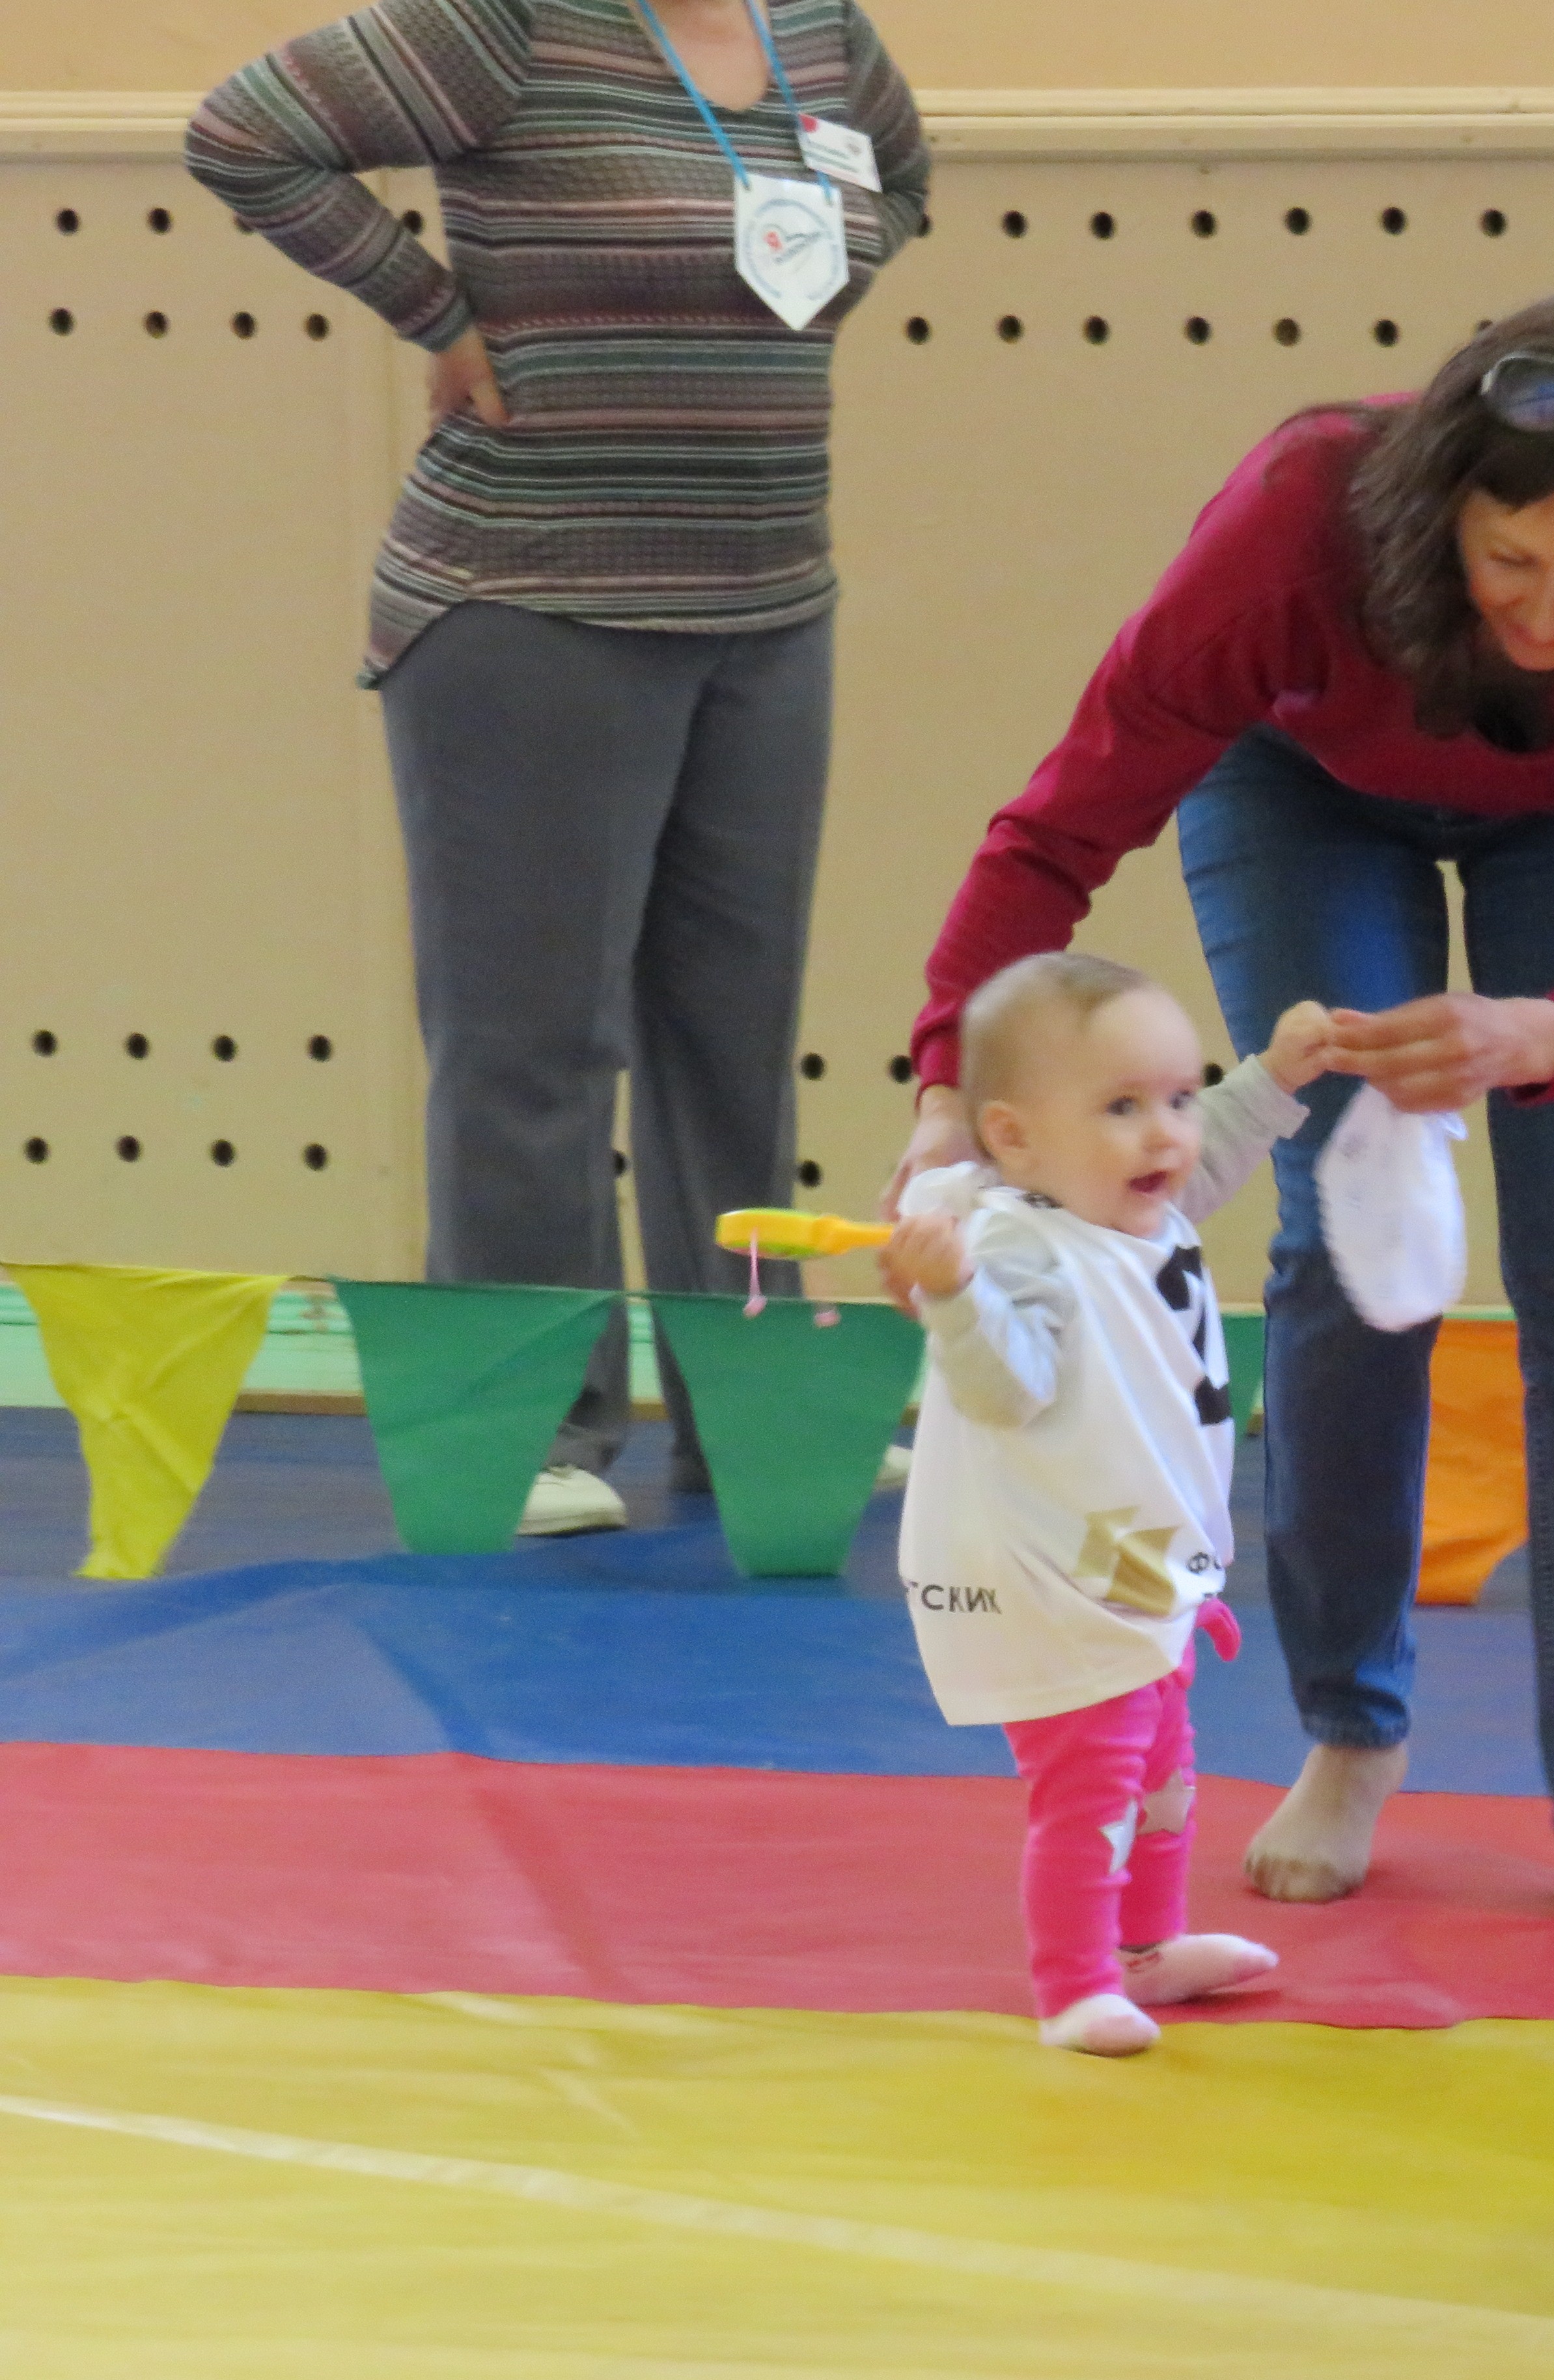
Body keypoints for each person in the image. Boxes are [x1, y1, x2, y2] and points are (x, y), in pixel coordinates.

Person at [891, 290, 1554, 1940]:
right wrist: (944, 1098)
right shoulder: (1299, 520)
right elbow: (1061, 829)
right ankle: (1349, 1729)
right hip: (1308, 792)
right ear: (1443, 504)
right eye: (1510, 562)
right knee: (1341, 1229)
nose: (1548, 615)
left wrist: (1545, 1031)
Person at [189, 0, 928, 1539]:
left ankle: (753, 1416)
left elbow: (903, 183)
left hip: (768, 611)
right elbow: (246, 133)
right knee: (531, 1052)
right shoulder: (513, 25)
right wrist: (438, 315)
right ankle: (524, 1431)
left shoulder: (821, 34)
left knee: (733, 1046)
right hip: (532, 602)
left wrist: (744, 328)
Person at [884, 954, 1330, 2056]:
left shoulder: (1134, 1213)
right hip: (1057, 1577)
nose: (1166, 1135)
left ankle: (1145, 1949)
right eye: (1124, 1107)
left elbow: (1211, 1157)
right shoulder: (1022, 1249)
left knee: (1165, 1770)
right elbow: (1004, 1390)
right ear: (1016, 1138)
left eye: (1178, 1096)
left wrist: (1273, 1075)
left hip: (1135, 1555)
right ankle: (1075, 1983)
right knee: (1092, 1789)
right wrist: (956, 1295)